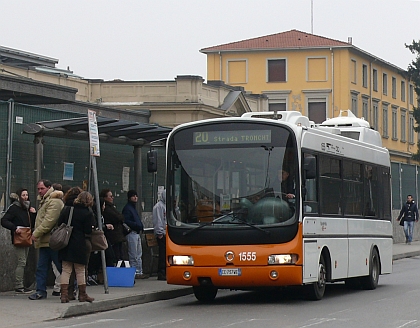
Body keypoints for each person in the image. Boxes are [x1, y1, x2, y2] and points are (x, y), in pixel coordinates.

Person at [28, 179, 64, 300]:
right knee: (41, 267)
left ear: (49, 188)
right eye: (38, 189)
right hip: (45, 241)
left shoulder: (54, 202)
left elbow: (49, 221)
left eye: (42, 189)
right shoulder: (45, 201)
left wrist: (36, 233)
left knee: (60, 267)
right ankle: (40, 291)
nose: (40, 191)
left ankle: (71, 288)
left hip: (53, 240)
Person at [58, 191, 95, 303]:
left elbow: (60, 223)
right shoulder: (87, 213)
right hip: (79, 243)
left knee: (66, 270)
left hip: (66, 242)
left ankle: (64, 295)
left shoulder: (68, 210)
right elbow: (88, 230)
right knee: (80, 270)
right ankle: (82, 295)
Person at [1, 189, 36, 293]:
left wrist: (33, 214)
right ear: (19, 197)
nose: (25, 197)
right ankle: (19, 285)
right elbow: (4, 220)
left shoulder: (27, 208)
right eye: (23, 195)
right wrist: (14, 228)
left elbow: (32, 223)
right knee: (22, 261)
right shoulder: (14, 208)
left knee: (24, 262)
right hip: (19, 236)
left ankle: (21, 284)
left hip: (27, 236)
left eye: (27, 195)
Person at [122, 190, 148, 279]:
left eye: (136, 196)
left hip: (136, 233)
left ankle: (139, 271)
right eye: (133, 196)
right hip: (131, 233)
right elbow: (127, 221)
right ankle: (135, 272)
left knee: (138, 254)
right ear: (129, 197)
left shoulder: (132, 208)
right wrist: (137, 226)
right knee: (133, 254)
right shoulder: (128, 208)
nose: (135, 197)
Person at [100, 189, 127, 264]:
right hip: (113, 236)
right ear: (105, 198)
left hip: (118, 235)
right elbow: (117, 217)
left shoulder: (112, 207)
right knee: (116, 256)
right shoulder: (107, 209)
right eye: (110, 196)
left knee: (120, 255)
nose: (112, 198)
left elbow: (121, 217)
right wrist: (120, 218)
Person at [152, 189, 167, 280]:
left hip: (167, 233)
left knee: (165, 254)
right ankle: (161, 272)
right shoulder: (159, 207)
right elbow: (158, 220)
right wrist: (159, 233)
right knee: (162, 254)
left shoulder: (168, 206)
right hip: (162, 234)